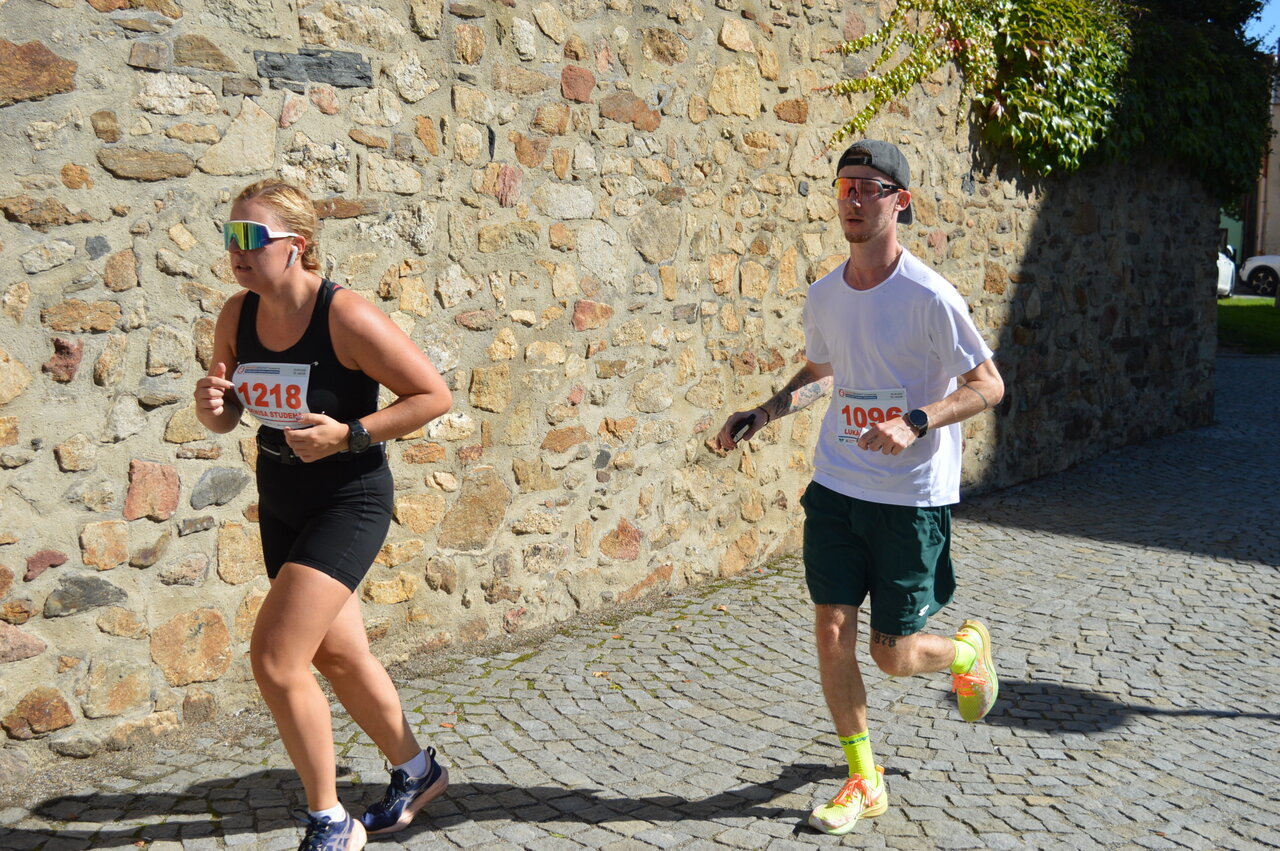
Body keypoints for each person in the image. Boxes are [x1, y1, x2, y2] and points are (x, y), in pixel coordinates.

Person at [715, 141, 1006, 837]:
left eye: (868, 187)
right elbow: (824, 372)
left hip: (909, 499)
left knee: (893, 655)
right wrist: (765, 410)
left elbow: (989, 385)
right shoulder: (825, 294)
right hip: (839, 486)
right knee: (831, 634)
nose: (851, 198)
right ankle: (863, 778)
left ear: (899, 200)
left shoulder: (930, 296)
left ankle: (966, 653)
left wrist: (917, 421)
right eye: (844, 185)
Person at [193, 180, 453, 851]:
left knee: (277, 658)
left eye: (252, 237)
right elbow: (225, 417)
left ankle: (329, 821)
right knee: (338, 652)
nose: (236, 250)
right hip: (282, 496)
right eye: (230, 235)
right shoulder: (236, 314)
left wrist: (350, 434)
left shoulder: (345, 315)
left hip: (348, 498)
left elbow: (432, 395)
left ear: (296, 246)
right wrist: (213, 405)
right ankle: (418, 771)